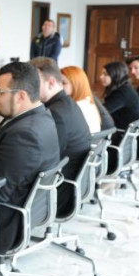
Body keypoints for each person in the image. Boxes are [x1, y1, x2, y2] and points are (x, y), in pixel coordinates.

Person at [0, 62, 60, 255]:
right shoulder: (42, 117)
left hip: (1, 224)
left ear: (20, 96)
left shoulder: (24, 135)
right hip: (27, 211)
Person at [30, 58, 91, 216]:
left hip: (59, 191)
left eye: (35, 83)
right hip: (72, 182)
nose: (31, 88)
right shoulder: (68, 103)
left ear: (50, 82)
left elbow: (46, 160)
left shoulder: (55, 112)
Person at [60, 65, 111, 133]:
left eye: (63, 83)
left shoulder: (76, 108)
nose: (59, 86)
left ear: (76, 85)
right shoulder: (87, 103)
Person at [100, 61, 139, 132]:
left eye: (105, 74)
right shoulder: (125, 88)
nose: (101, 77)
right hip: (127, 133)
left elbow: (102, 112)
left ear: (115, 75)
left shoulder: (122, 93)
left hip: (122, 134)